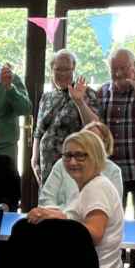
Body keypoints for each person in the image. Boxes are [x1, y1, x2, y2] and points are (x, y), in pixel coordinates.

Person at [27, 130, 125, 268]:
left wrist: (56, 224)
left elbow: (94, 234)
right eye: (68, 155)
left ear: (95, 157)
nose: (72, 162)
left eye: (80, 156)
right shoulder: (89, 185)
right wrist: (49, 214)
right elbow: (77, 220)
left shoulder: (96, 189)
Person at [76, 48, 135, 211]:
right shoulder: (103, 91)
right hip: (113, 168)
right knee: (111, 215)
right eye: (114, 69)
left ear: (134, 66)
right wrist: (80, 103)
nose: (118, 73)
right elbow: (93, 125)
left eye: (123, 68)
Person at [32, 49, 99, 184]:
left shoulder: (86, 93)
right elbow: (38, 132)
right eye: (58, 69)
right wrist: (34, 159)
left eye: (67, 69)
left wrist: (79, 102)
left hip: (73, 165)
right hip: (47, 167)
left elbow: (94, 127)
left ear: (73, 69)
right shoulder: (46, 97)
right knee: (48, 203)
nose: (62, 74)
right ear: (52, 70)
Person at [38, 121, 123, 208]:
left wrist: (63, 215)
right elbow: (46, 199)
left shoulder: (113, 171)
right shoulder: (62, 164)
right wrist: (56, 214)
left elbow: (111, 207)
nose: (73, 162)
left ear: (104, 145)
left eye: (93, 141)